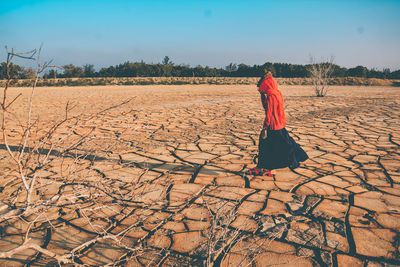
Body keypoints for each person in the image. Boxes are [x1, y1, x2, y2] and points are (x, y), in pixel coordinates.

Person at [247, 72, 308, 176]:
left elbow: (269, 112)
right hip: (279, 124)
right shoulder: (277, 93)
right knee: (285, 144)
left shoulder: (271, 95)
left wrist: (265, 128)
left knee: (266, 145)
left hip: (273, 125)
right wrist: (262, 94)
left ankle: (264, 167)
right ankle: (296, 158)